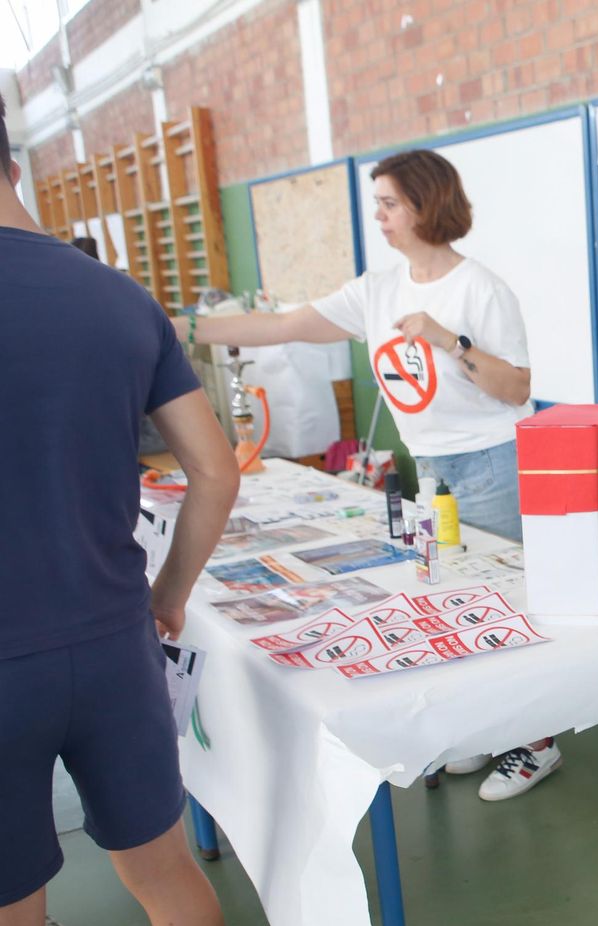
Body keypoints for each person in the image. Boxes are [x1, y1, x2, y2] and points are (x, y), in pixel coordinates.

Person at [175, 149, 561, 803]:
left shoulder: (480, 289)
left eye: (388, 203)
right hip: (432, 467)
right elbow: (281, 324)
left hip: (491, 462)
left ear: (424, 204)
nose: (377, 216)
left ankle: (537, 740)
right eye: (376, 203)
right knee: (454, 602)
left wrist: (450, 342)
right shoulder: (376, 291)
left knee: (504, 604)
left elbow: (517, 386)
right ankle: (487, 729)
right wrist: (183, 327)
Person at [0, 98, 251, 926]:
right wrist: (168, 594)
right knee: (162, 867)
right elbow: (216, 470)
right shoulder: (115, 294)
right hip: (112, 641)